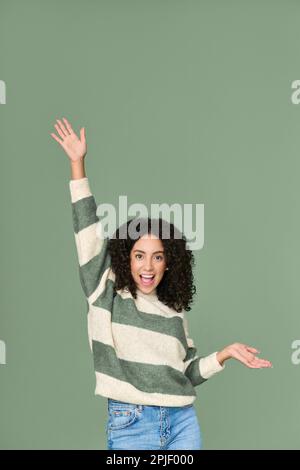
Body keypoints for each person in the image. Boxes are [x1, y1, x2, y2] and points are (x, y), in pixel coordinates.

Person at [50, 117, 272, 450]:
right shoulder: (105, 290)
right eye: (139, 255)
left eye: (157, 256)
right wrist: (77, 165)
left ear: (170, 263)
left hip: (183, 421)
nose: (148, 266)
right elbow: (88, 232)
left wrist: (225, 354)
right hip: (131, 422)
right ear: (127, 258)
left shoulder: (174, 310)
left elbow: (184, 373)